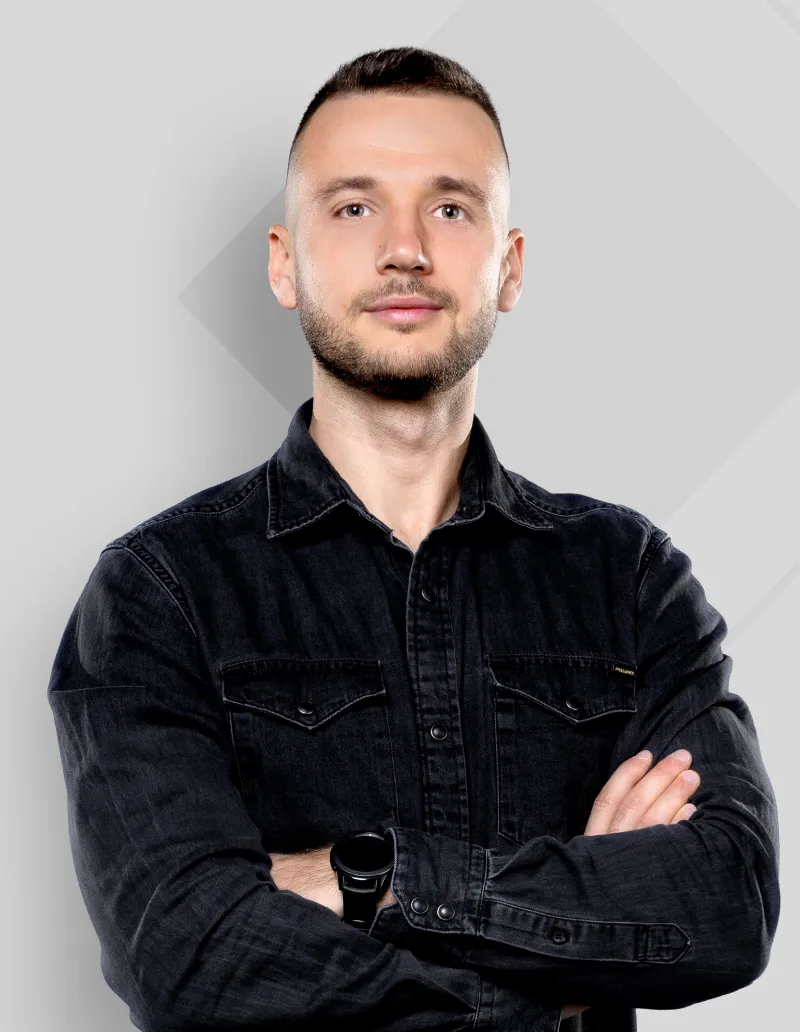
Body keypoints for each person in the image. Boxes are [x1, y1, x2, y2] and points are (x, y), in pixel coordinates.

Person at [47, 46, 779, 1032]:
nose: (404, 249)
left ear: (507, 266)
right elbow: (187, 955)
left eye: (449, 207)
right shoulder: (157, 591)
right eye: (351, 207)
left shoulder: (628, 579)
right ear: (282, 263)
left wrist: (368, 882)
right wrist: (563, 966)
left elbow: (724, 903)